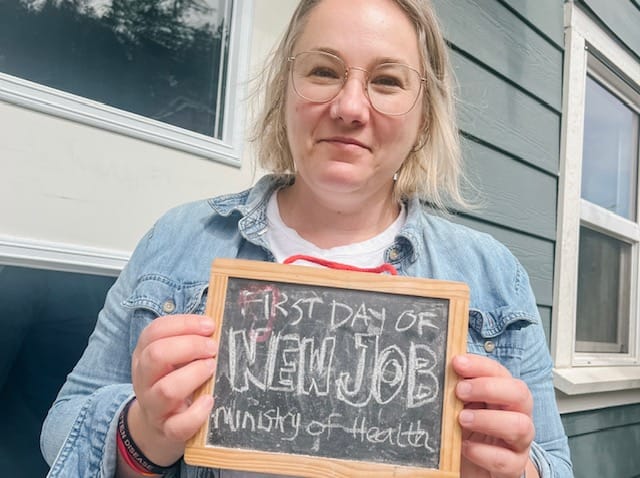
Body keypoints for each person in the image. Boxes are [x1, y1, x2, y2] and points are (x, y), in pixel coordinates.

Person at [41, 0, 574, 477]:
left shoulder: (492, 274)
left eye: (387, 81)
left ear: (425, 116)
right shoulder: (178, 241)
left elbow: (554, 464)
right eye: (323, 71)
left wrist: (513, 470)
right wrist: (142, 438)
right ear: (284, 91)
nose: (349, 107)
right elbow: (63, 425)